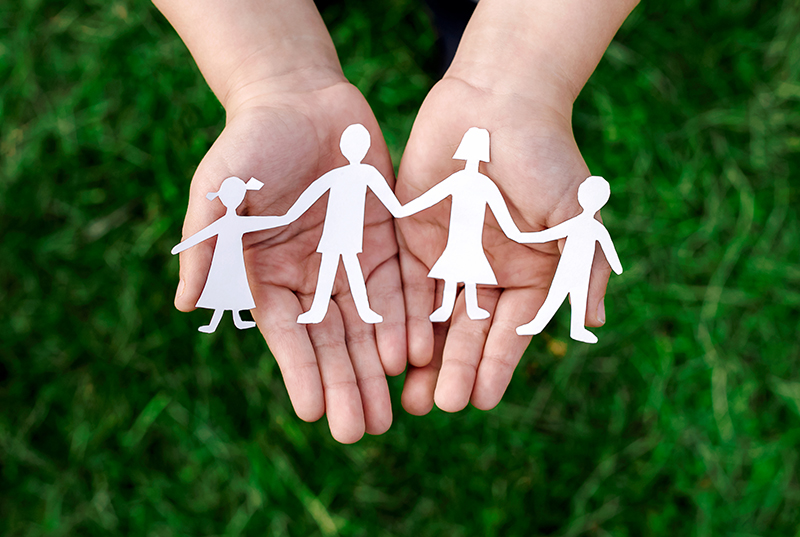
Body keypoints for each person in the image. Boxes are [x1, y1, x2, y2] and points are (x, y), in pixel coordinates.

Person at [156, 0, 639, 442]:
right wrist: (272, 68)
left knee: (465, 14)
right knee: (336, 276)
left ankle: (473, 35)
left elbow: (389, 197)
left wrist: (514, 73)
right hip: (337, 224)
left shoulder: (394, 176)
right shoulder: (362, 176)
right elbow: (317, 206)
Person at [279, 123, 405, 325]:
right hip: (334, 231)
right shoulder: (345, 173)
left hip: (347, 231)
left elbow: (393, 204)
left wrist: (410, 208)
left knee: (347, 269)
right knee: (334, 269)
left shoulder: (365, 173)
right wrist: (288, 216)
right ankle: (322, 311)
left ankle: (361, 311)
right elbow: (312, 193)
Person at [396, 127, 524, 322]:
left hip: (472, 238)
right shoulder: (466, 181)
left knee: (469, 268)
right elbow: (431, 197)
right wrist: (403, 209)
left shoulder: (484, 184)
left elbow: (502, 214)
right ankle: (447, 308)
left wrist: (519, 234)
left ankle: (470, 307)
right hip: (457, 237)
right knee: (454, 268)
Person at [516, 176, 623, 344]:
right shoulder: (589, 226)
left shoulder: (592, 227)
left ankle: (577, 329)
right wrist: (523, 237)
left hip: (580, 271)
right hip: (568, 270)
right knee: (556, 297)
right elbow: (548, 235)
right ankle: (538, 324)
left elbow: (608, 249)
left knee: (577, 299)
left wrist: (523, 237)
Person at [171, 177, 284, 333]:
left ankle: (236, 320)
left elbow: (262, 222)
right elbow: (203, 234)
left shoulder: (233, 222)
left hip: (233, 261)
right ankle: (215, 323)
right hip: (223, 262)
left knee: (233, 287)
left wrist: (284, 219)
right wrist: (183, 246)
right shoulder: (229, 222)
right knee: (223, 288)